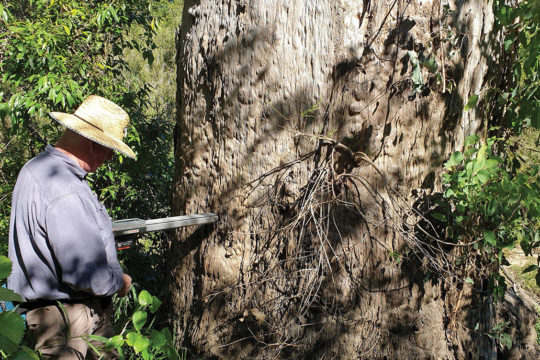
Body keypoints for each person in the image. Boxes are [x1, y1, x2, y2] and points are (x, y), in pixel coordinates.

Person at [7, 95, 136, 359]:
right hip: (67, 321)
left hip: (55, 316)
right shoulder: (66, 188)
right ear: (91, 143)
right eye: (109, 148)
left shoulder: (35, 169)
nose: (111, 156)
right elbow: (89, 275)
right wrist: (119, 282)